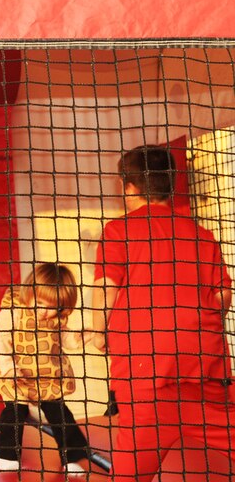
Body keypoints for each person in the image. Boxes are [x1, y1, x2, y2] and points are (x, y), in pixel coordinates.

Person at [85, 145, 235, 481]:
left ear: (130, 187)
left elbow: (105, 289)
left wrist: (98, 333)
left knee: (129, 471)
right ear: (171, 184)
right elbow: (223, 294)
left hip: (146, 376)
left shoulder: (119, 230)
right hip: (204, 372)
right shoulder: (202, 235)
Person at [0, 263, 90, 477]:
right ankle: (5, 454)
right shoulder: (16, 309)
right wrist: (7, 366)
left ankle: (71, 456)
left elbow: (65, 340)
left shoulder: (56, 320)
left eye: (52, 306)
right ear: (30, 292)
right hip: (17, 375)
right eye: (40, 302)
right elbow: (0, 337)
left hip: (46, 376)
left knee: (59, 413)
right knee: (16, 411)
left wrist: (81, 337)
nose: (44, 310)